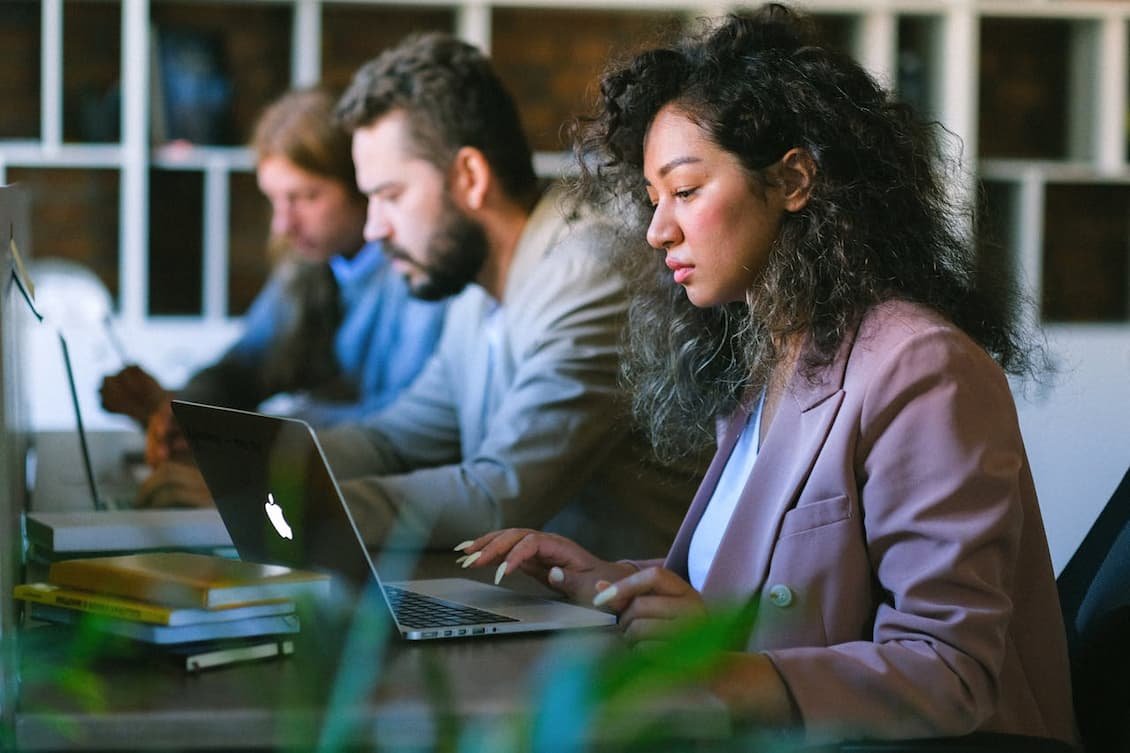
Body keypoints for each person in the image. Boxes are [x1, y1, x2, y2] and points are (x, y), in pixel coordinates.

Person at [458, 6, 1077, 747]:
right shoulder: (778, 358)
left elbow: (951, 671)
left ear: (792, 180)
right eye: (654, 200)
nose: (658, 230)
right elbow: (770, 575)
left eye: (685, 191)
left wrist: (723, 667)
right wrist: (614, 584)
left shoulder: (922, 368)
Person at [312, 32, 702, 559]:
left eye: (391, 195)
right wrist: (257, 459)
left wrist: (298, 503)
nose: (375, 227)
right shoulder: (476, 291)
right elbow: (394, 440)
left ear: (470, 177)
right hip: (537, 611)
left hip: (630, 628)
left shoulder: (593, 271)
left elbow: (501, 494)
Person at [100, 88, 448, 503]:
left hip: (392, 502)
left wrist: (246, 436)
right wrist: (184, 409)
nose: (283, 224)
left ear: (363, 185)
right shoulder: (309, 264)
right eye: (275, 200)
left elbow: (400, 429)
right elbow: (244, 368)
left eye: (305, 198)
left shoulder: (420, 274)